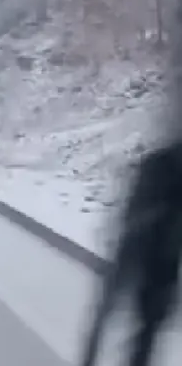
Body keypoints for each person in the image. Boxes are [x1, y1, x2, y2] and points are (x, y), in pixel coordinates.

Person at [79, 141, 182, 366]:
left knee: (130, 327)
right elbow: (134, 213)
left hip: (155, 262)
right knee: (136, 330)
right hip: (144, 255)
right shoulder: (160, 162)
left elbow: (131, 211)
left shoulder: (158, 161)